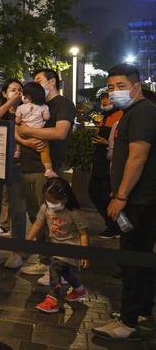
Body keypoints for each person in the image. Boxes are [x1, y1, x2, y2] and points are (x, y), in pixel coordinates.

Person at [93, 64, 156, 340]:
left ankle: (129, 323)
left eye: (121, 86)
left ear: (136, 86)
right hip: (136, 198)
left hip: (139, 201)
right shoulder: (131, 113)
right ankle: (141, 312)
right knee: (139, 259)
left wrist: (121, 196)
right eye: (111, 87)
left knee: (132, 260)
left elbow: (138, 157)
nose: (115, 92)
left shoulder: (142, 113)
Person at [16, 69, 76, 281]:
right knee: (35, 216)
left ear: (52, 81)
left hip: (47, 170)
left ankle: (57, 269)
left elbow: (59, 133)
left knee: (53, 220)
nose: (36, 84)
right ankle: (43, 261)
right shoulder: (33, 103)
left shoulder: (63, 105)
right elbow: (17, 130)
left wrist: (28, 132)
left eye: (40, 80)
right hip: (26, 167)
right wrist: (25, 140)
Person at [27, 178, 89, 314]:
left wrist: (85, 253)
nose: (51, 204)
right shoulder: (45, 208)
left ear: (65, 198)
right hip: (56, 247)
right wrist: (28, 240)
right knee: (65, 273)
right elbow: (37, 224)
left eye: (54, 201)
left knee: (55, 268)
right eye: (48, 200)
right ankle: (80, 290)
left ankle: (52, 300)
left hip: (71, 247)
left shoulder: (74, 213)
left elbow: (83, 233)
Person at [0, 79, 26, 269]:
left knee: (18, 210)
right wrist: (9, 104)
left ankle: (17, 252)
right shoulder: (0, 110)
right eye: (13, 90)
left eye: (20, 90)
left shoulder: (27, 110)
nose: (17, 93)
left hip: (17, 166)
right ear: (4, 93)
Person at [88, 90, 123, 239]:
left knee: (106, 195)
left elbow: (121, 144)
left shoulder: (121, 115)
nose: (104, 101)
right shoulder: (106, 116)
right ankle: (113, 225)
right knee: (94, 192)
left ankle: (116, 227)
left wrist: (106, 143)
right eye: (103, 99)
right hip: (100, 162)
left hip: (110, 164)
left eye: (107, 98)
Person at [15, 82, 57, 178]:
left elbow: (17, 120)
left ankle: (17, 151)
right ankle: (48, 170)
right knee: (44, 151)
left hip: (24, 132)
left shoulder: (20, 107)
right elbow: (46, 118)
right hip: (38, 133)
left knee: (18, 135)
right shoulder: (44, 107)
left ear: (28, 96)